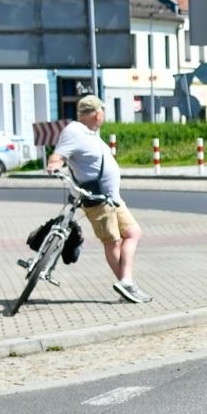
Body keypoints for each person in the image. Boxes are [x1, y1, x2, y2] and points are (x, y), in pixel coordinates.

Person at [45, 95, 149, 303]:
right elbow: (58, 156)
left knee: (133, 232)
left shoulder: (91, 133)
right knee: (113, 242)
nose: (103, 114)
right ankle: (126, 284)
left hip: (112, 198)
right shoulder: (74, 131)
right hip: (96, 199)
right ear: (95, 113)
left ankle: (126, 281)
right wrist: (54, 165)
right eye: (102, 110)